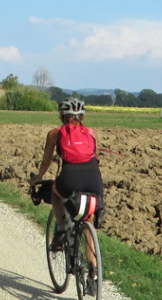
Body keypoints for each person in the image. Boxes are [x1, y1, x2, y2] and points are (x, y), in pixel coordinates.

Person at [27, 97, 105, 269]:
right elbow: (94, 157)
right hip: (94, 180)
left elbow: (46, 162)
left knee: (55, 190)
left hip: (69, 178)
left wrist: (37, 178)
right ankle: (93, 272)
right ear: (81, 116)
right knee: (89, 221)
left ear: (62, 115)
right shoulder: (91, 132)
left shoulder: (55, 134)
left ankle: (61, 230)